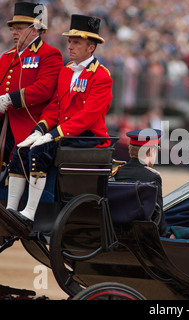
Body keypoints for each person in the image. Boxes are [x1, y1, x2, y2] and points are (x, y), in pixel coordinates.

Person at [6, 14, 112, 228]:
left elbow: (87, 117)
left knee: (38, 151)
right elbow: (54, 106)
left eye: (76, 42)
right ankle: (10, 210)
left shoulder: (101, 76)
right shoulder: (65, 72)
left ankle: (29, 213)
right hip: (63, 133)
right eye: (70, 42)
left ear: (91, 47)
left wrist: (52, 135)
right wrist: (39, 130)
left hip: (87, 137)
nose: (70, 46)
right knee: (20, 148)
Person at [0, 2, 63, 177]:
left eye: (19, 28)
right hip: (5, 123)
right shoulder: (6, 56)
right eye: (13, 29)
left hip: (29, 124)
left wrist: (9, 99)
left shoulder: (49, 54)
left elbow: (44, 89)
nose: (14, 33)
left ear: (34, 30)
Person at [114, 129, 166, 236]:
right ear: (151, 152)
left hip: (116, 231)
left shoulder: (117, 172)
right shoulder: (153, 176)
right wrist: (165, 235)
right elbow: (158, 214)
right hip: (143, 235)